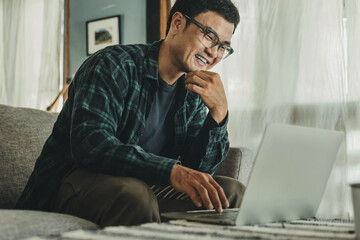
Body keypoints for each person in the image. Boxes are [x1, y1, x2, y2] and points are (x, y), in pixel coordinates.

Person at [16, 0, 244, 226]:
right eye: (209, 36)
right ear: (177, 23)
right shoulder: (113, 64)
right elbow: (92, 145)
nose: (214, 53)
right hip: (69, 183)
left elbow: (198, 171)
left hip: (141, 187)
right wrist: (171, 172)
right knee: (135, 195)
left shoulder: (192, 92)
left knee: (232, 192)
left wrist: (218, 113)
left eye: (223, 46)